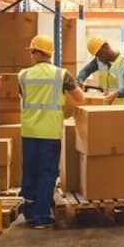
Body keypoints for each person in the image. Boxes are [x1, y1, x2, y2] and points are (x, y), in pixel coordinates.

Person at [19, 34, 85, 229]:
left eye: (32, 51)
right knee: (47, 173)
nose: (31, 55)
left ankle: (29, 213)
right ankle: (41, 217)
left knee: (30, 171)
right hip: (49, 132)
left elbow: (24, 96)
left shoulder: (22, 75)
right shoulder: (62, 75)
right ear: (50, 54)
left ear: (37, 53)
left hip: (29, 131)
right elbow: (80, 98)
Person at [77, 36, 124, 106]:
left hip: (122, 108)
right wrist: (80, 80)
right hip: (105, 106)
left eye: (99, 54)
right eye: (96, 56)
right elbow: (85, 71)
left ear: (106, 47)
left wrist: (118, 93)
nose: (98, 59)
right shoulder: (99, 61)